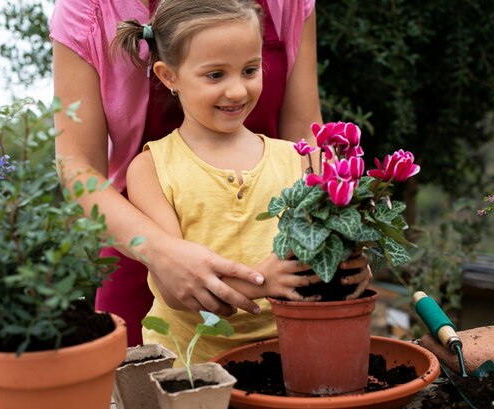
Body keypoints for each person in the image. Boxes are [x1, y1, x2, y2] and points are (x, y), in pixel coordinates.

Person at [50, 0, 372, 347]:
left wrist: (337, 237)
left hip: (279, 269)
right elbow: (77, 165)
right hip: (138, 245)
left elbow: (305, 137)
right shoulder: (89, 9)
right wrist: (163, 253)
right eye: (216, 74)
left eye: (251, 69)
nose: (236, 90)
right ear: (167, 76)